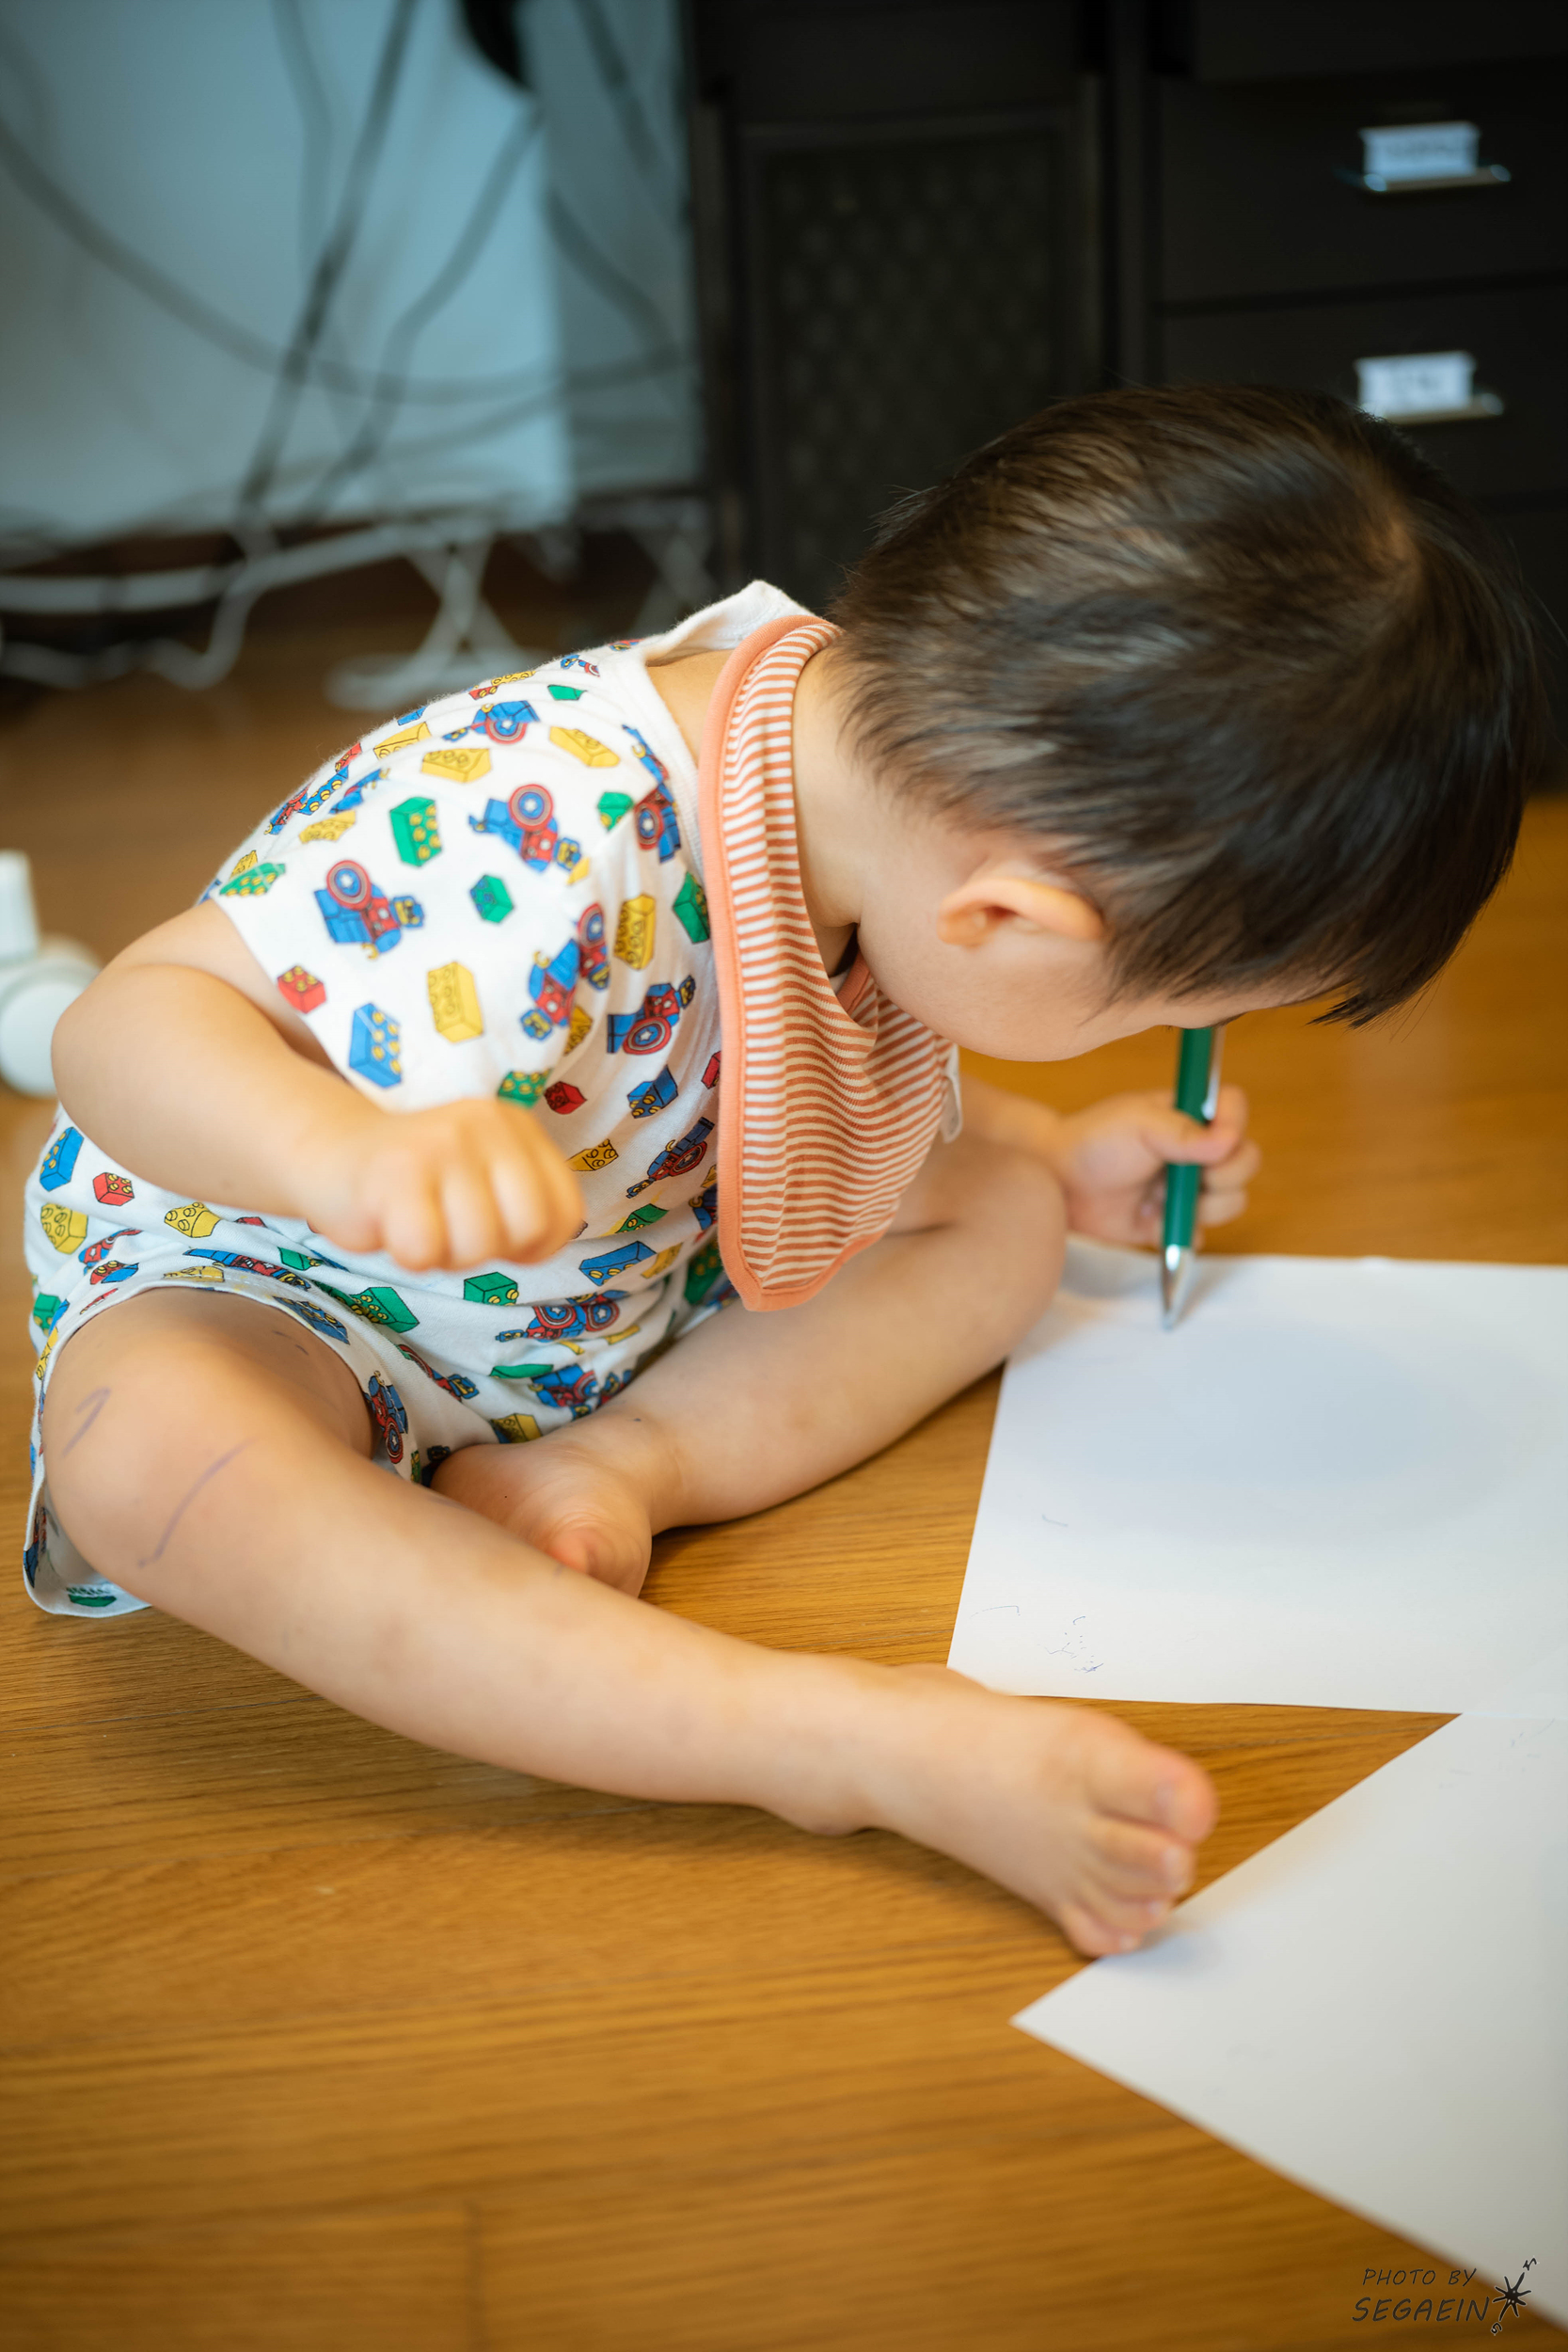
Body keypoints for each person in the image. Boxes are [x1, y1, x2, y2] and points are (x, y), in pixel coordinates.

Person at [22, 387, 1543, 1958]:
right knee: (147, 1458)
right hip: (292, 1286)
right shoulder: (523, 841)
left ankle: (618, 1468)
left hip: (619, 1254)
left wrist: (1041, 1153)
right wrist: (338, 1150)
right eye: (1158, 1015)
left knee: (1004, 1215)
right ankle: (831, 1744)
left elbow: (796, 1075)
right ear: (1005, 920)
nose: (1152, 1044)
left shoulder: (864, 788)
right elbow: (121, 1026)